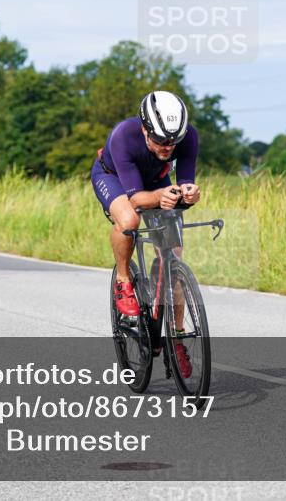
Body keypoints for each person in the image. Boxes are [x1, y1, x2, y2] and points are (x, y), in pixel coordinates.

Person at [91, 91, 201, 375]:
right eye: (161, 141)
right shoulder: (123, 136)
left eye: (173, 142)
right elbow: (137, 199)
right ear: (144, 129)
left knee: (173, 254)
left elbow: (185, 178)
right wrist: (162, 195)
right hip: (114, 178)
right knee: (129, 221)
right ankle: (124, 279)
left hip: (155, 180)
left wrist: (189, 192)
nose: (168, 148)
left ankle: (176, 337)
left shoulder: (187, 137)